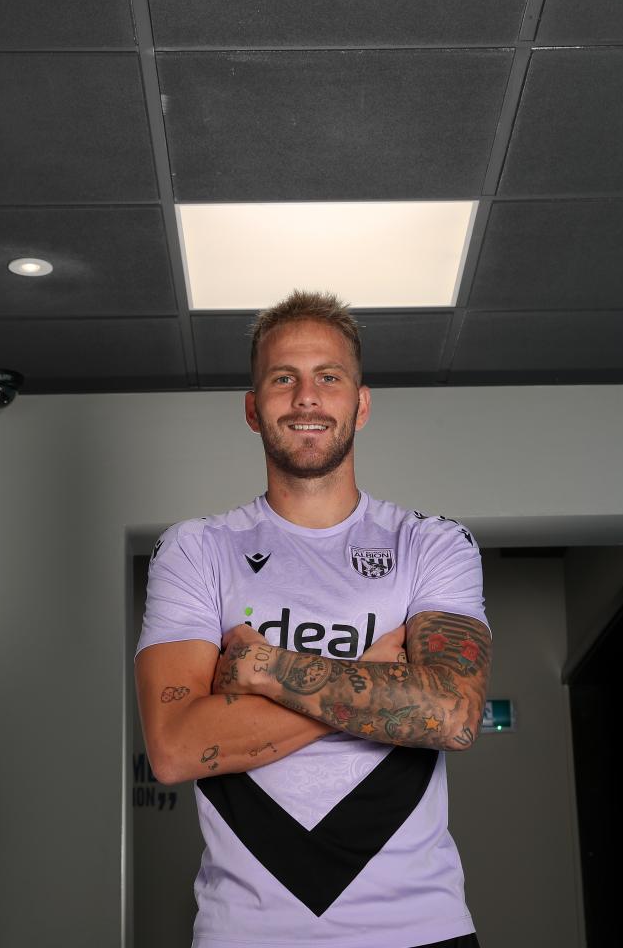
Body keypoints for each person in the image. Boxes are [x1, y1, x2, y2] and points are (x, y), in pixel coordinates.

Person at [134, 290, 493, 948]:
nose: (306, 397)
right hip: (245, 933)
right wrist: (375, 674)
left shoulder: (431, 543)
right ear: (252, 408)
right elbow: (176, 749)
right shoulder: (197, 549)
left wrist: (267, 670)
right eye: (283, 379)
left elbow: (452, 715)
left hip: (421, 927)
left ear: (360, 403)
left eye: (328, 377)